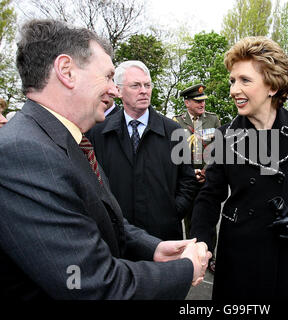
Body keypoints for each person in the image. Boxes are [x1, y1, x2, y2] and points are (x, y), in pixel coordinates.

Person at [0, 19, 210, 300]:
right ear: (67, 72)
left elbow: (106, 219)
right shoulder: (24, 153)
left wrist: (154, 248)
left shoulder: (66, 140)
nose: (114, 90)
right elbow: (92, 283)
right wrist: (187, 268)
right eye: (108, 77)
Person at [190, 36, 288, 300]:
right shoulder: (224, 136)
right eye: (233, 80)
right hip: (238, 257)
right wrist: (202, 244)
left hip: (287, 257)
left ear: (272, 86)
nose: (233, 90)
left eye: (245, 80)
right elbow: (208, 198)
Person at [87, 60, 198, 241]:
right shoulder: (98, 133)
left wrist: (173, 212)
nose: (144, 91)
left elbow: (187, 179)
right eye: (135, 85)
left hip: (164, 237)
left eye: (147, 85)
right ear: (118, 90)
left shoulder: (174, 131)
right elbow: (92, 184)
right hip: (117, 238)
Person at [173, 83, 221, 272]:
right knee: (189, 219)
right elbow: (175, 152)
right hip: (187, 180)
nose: (202, 104)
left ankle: (211, 256)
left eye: (203, 101)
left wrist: (206, 171)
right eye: (197, 101)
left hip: (207, 179)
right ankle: (191, 255)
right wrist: (189, 172)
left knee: (208, 219)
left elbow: (218, 149)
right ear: (187, 102)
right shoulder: (177, 122)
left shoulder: (213, 120)